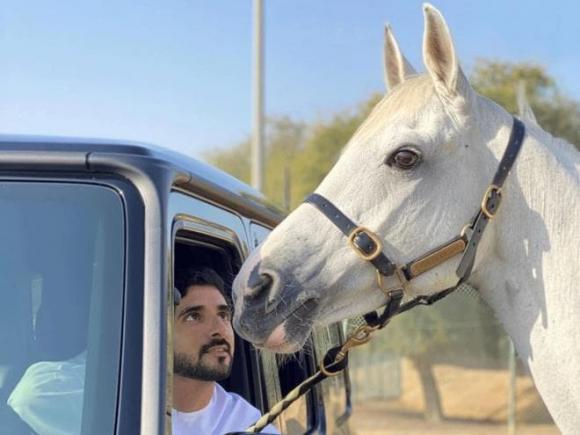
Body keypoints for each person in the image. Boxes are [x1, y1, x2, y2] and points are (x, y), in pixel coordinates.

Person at [172, 267, 278, 435]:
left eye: (223, 315)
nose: (219, 329)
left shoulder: (248, 425)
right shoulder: (125, 411)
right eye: (194, 316)